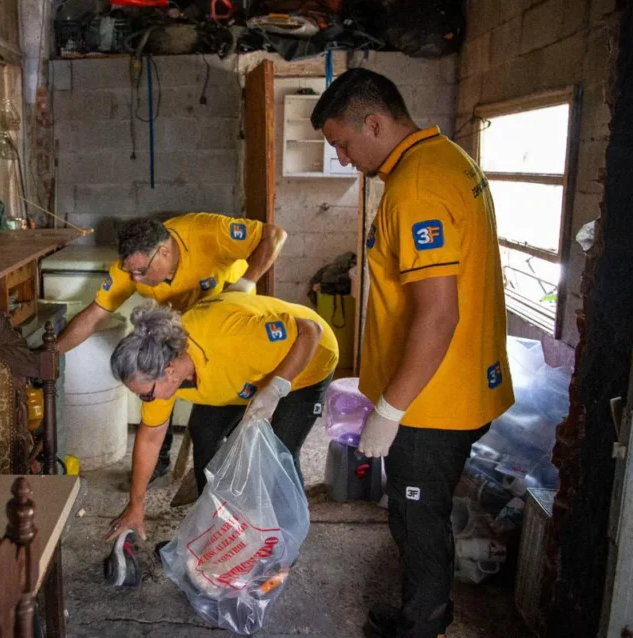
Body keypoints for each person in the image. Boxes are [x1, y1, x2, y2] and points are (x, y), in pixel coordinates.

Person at [311, 68, 514, 638]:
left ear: (374, 123)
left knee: (415, 517)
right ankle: (425, 612)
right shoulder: (447, 158)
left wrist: (391, 410)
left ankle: (423, 625)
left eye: (343, 144)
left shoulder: (416, 189)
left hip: (432, 401)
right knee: (422, 511)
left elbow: (438, 314)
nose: (344, 159)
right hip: (460, 382)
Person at [56, 213, 288, 482]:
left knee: (210, 428)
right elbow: (94, 315)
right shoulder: (130, 269)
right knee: (153, 389)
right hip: (175, 335)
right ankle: (158, 462)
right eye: (131, 273)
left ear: (164, 251)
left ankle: (230, 475)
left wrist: (246, 282)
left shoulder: (206, 232)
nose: (136, 280)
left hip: (223, 337)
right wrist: (51, 354)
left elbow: (274, 235)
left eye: (142, 272)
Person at [103, 293, 339, 543]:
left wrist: (276, 387)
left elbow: (310, 331)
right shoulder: (163, 366)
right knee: (204, 431)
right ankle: (217, 520)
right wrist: (136, 504)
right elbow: (150, 437)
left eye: (145, 395)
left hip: (309, 358)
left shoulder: (232, 338)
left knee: (280, 451)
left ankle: (283, 543)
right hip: (245, 372)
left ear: (169, 373)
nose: (145, 400)